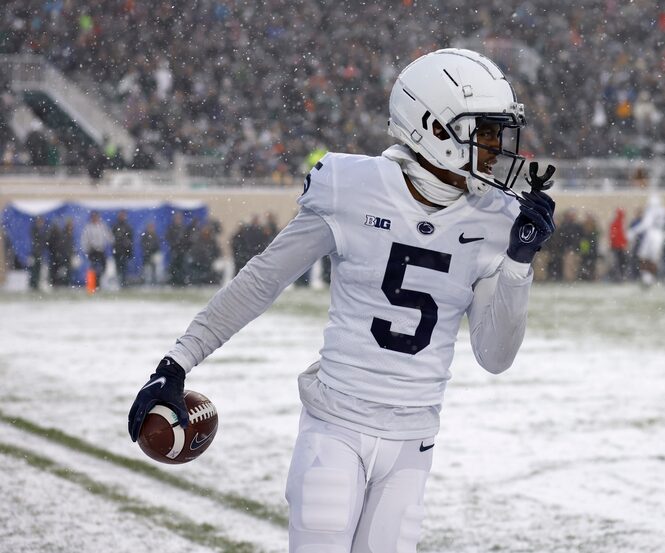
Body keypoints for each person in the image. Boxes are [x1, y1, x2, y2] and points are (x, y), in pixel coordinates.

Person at [127, 48, 555, 553]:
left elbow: (496, 356)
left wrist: (518, 265)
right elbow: (262, 280)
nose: (495, 149)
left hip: (413, 436)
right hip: (336, 425)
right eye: (483, 133)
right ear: (434, 128)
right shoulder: (351, 189)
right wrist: (178, 361)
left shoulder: (495, 217)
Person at [627, 194, 665, 287]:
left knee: (643, 257)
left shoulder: (652, 211)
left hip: (651, 235)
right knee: (654, 259)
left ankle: (648, 278)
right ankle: (651, 278)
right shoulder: (663, 211)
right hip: (660, 235)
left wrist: (633, 231)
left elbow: (646, 224)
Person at [80, 211, 113, 289]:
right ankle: (93, 285)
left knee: (103, 268)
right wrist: (86, 249)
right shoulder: (88, 227)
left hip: (101, 250)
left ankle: (99, 284)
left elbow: (110, 237)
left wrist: (109, 243)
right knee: (93, 269)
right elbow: (84, 239)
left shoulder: (102, 226)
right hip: (93, 250)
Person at [112, 210, 135, 288]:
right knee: (118, 268)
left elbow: (130, 239)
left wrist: (129, 250)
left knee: (124, 268)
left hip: (124, 251)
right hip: (118, 251)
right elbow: (113, 238)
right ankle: (119, 283)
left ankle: (123, 283)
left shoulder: (127, 226)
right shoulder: (115, 226)